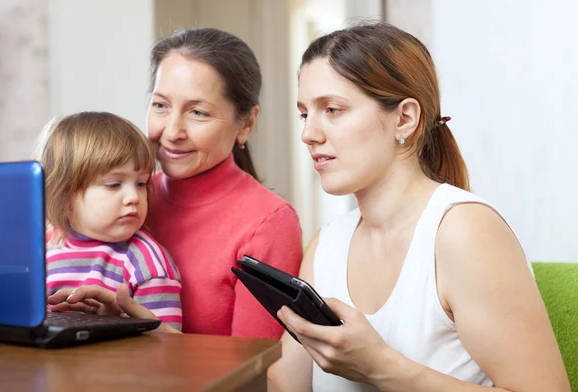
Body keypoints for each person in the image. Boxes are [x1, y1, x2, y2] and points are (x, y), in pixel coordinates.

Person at [60, 23, 570, 391]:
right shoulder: (326, 247)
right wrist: (137, 322)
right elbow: (282, 385)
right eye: (305, 112)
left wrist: (383, 368)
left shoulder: (463, 231)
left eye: (334, 110)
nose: (309, 134)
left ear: (404, 119)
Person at [47, 28, 304, 339]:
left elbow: (260, 371)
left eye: (197, 112)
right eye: (160, 106)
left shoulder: (269, 223)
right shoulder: (111, 203)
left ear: (246, 123)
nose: (171, 132)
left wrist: (153, 335)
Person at [37, 111, 183, 331]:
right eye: (114, 185)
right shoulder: (42, 250)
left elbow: (170, 347)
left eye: (141, 184)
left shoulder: (145, 262)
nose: (134, 197)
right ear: (64, 196)